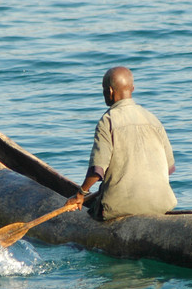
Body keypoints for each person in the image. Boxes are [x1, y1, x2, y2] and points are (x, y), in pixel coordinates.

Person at [65, 66, 177, 220]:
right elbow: (169, 167)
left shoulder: (108, 121)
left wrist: (81, 194)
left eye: (104, 90)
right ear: (132, 88)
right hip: (162, 204)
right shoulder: (153, 119)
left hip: (121, 208)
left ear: (110, 91)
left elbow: (97, 170)